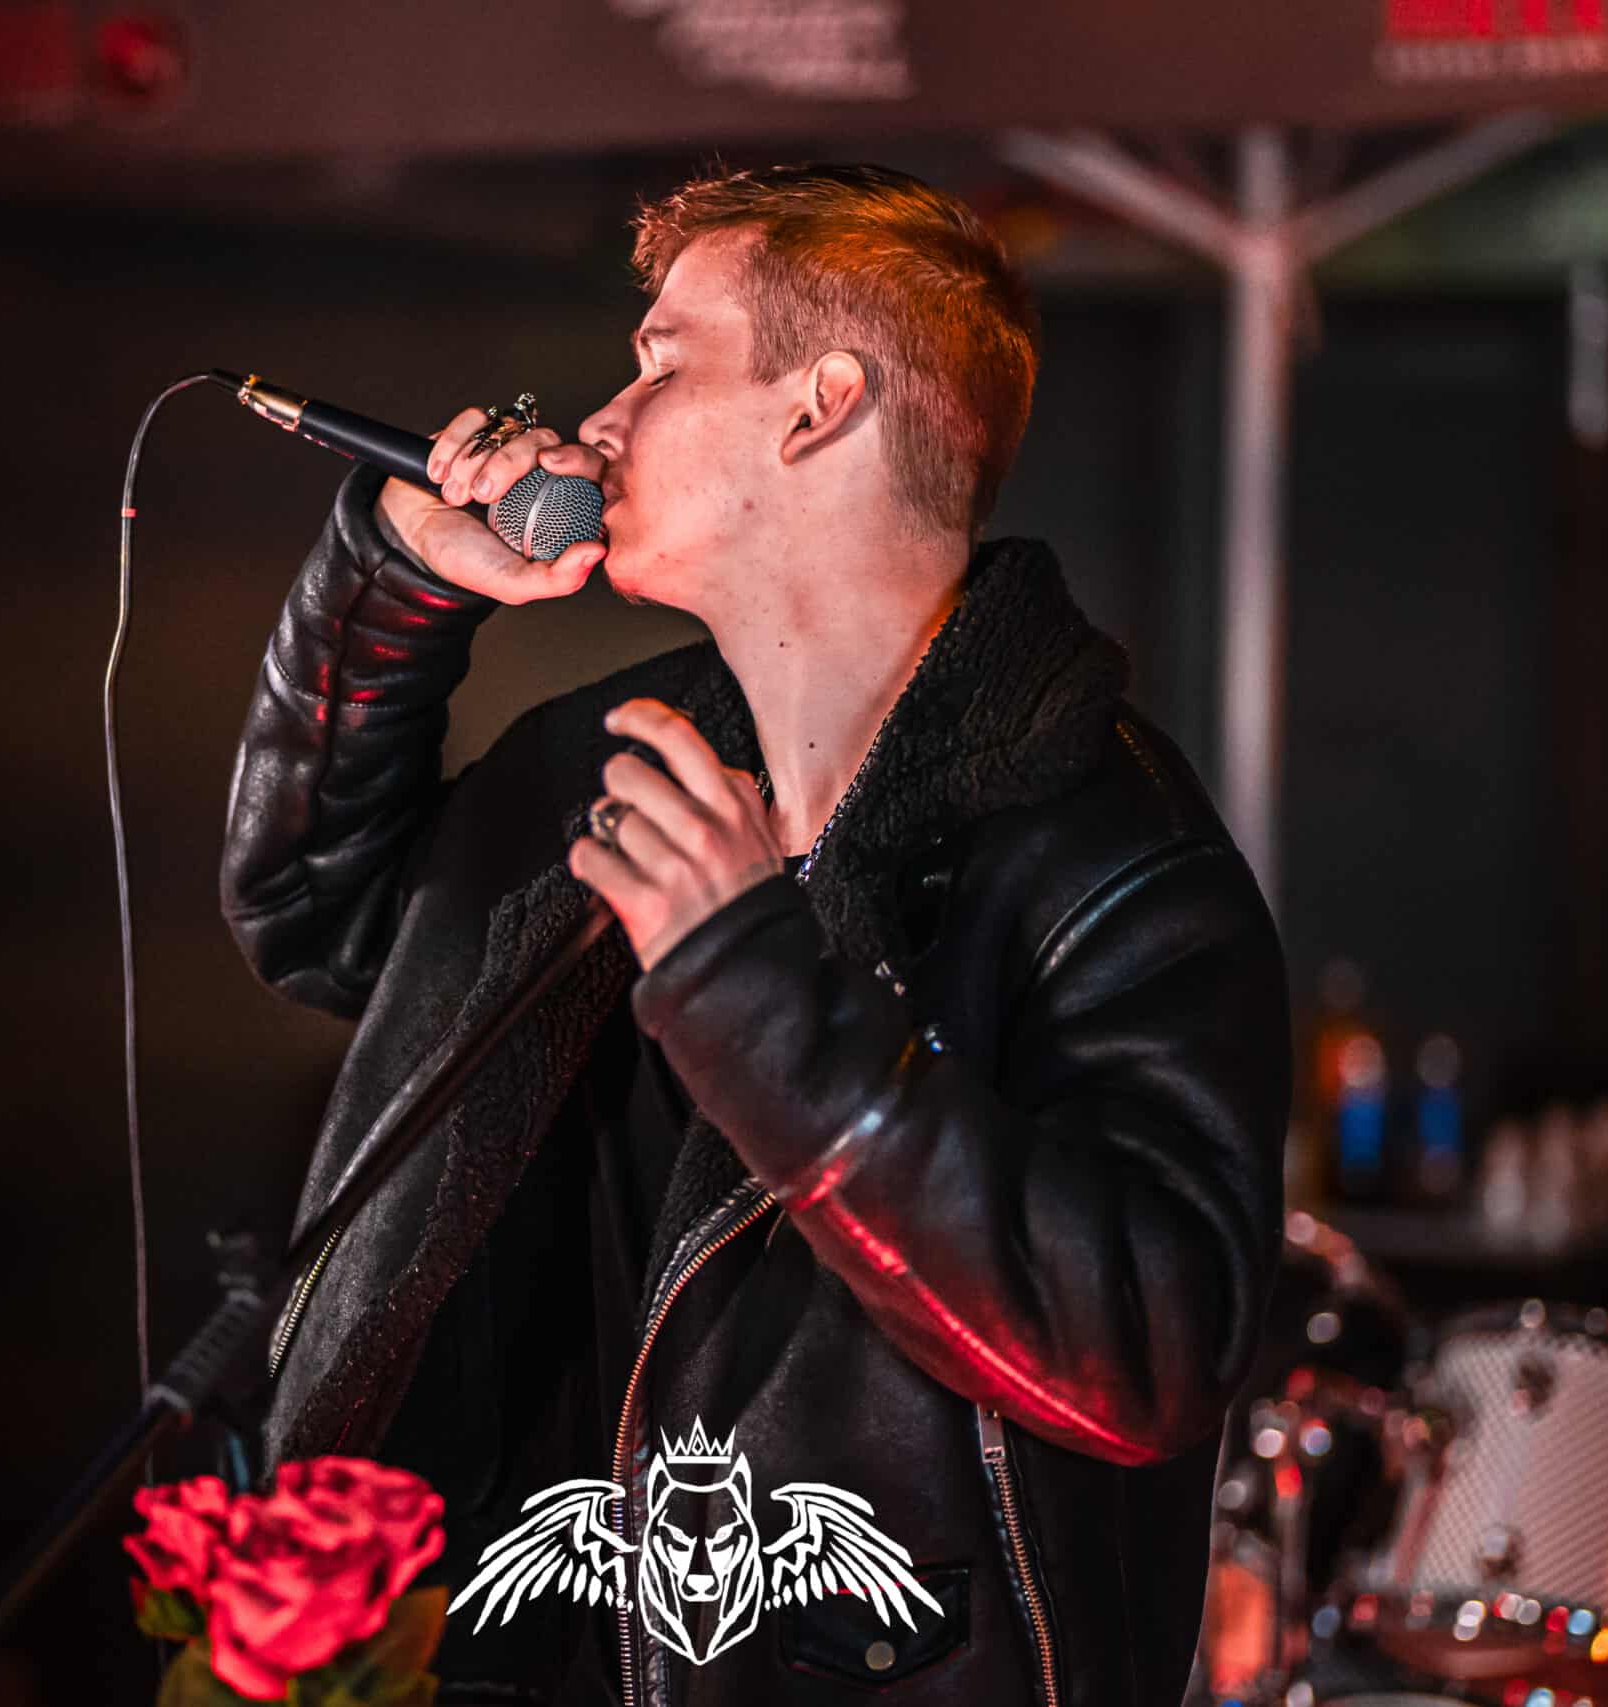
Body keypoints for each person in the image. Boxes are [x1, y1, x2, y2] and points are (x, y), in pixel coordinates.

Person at [219, 163, 1290, 1707]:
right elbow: (318, 919)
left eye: (661, 366)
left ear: (820, 405)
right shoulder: (603, 762)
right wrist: (388, 594)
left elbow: (1144, 1351)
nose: (600, 422)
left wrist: (760, 998)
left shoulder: (1105, 850)